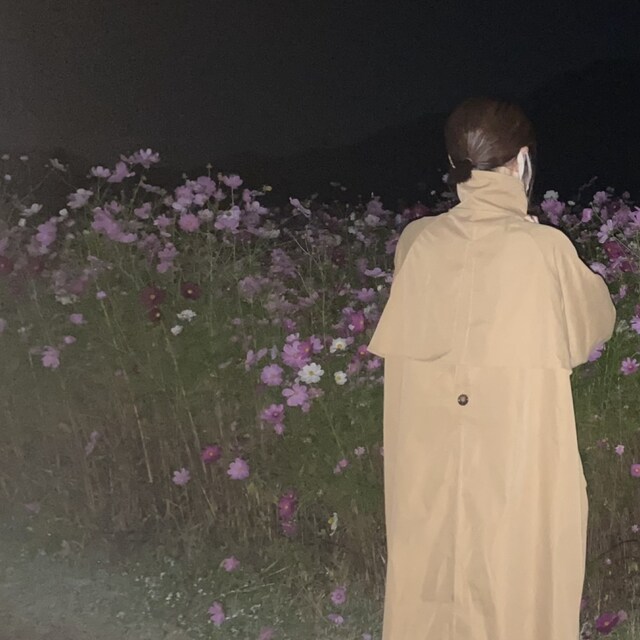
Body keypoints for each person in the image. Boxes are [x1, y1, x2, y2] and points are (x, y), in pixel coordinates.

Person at [367, 96, 616, 640]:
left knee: (431, 564)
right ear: (521, 160)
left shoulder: (417, 242)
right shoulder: (543, 249)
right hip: (517, 457)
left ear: (454, 162)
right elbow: (595, 324)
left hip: (427, 457)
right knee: (518, 568)